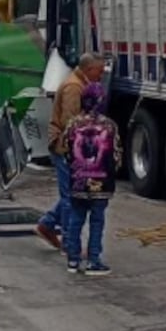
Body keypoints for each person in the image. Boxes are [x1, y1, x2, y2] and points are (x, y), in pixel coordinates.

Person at [34, 52, 106, 251]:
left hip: (68, 146)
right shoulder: (74, 87)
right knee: (70, 197)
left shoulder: (79, 83)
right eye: (99, 71)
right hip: (65, 147)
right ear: (89, 69)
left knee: (71, 192)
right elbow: (71, 122)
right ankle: (68, 241)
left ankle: (48, 224)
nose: (101, 76)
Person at [61, 82, 122, 275]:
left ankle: (73, 259)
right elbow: (117, 156)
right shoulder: (110, 126)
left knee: (75, 219)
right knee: (97, 221)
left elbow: (66, 151)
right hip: (101, 184)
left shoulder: (73, 124)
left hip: (78, 182)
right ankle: (93, 260)